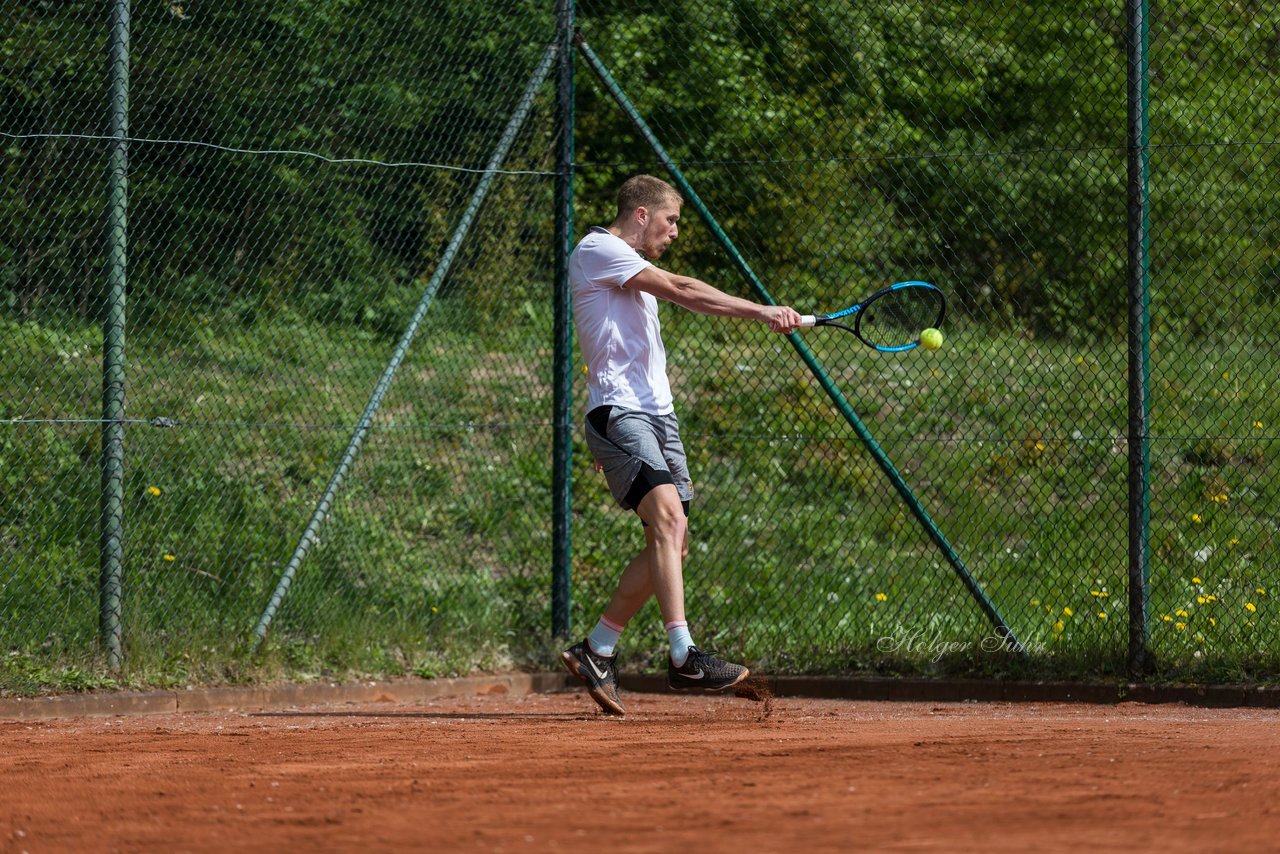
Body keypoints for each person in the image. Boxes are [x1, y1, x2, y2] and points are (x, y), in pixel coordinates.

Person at [561, 174, 802, 715]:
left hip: (657, 417)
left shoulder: (628, 266)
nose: (674, 232)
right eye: (671, 221)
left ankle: (597, 648)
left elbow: (683, 298)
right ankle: (683, 654)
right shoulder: (598, 248)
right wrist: (761, 310)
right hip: (620, 412)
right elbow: (684, 290)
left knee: (672, 541)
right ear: (642, 214)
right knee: (669, 520)